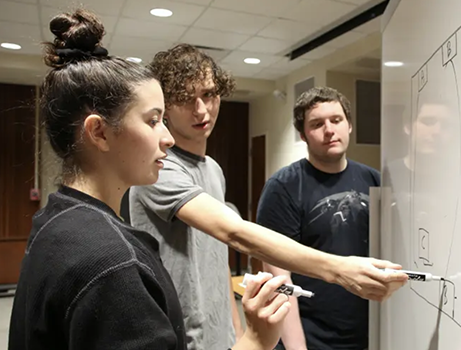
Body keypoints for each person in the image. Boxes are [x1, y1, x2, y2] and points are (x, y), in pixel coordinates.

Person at [8, 9, 291, 350]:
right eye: (154, 120)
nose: (167, 138)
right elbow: (234, 232)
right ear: (99, 132)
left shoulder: (57, 222)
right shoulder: (112, 263)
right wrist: (258, 339)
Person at [127, 44, 409, 350]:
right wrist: (339, 270)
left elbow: (218, 253)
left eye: (208, 94)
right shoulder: (158, 167)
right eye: (185, 99)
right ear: (166, 106)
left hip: (221, 338)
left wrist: (237, 329)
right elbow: (234, 232)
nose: (201, 110)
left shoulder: (213, 170)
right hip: (175, 336)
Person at [256, 86, 380, 350]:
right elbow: (280, 279)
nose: (329, 130)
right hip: (311, 339)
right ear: (303, 135)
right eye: (317, 124)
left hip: (369, 335)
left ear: (349, 126)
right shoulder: (283, 187)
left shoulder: (374, 180)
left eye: (336, 120)